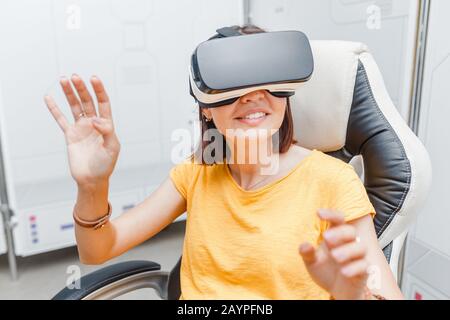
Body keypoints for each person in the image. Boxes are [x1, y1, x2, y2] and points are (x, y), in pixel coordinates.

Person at [44, 25, 404, 300]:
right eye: (232, 86)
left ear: (286, 93)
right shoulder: (197, 171)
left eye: (267, 81)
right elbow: (96, 250)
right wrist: (92, 185)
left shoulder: (333, 181)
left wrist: (354, 295)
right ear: (205, 107)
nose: (252, 97)